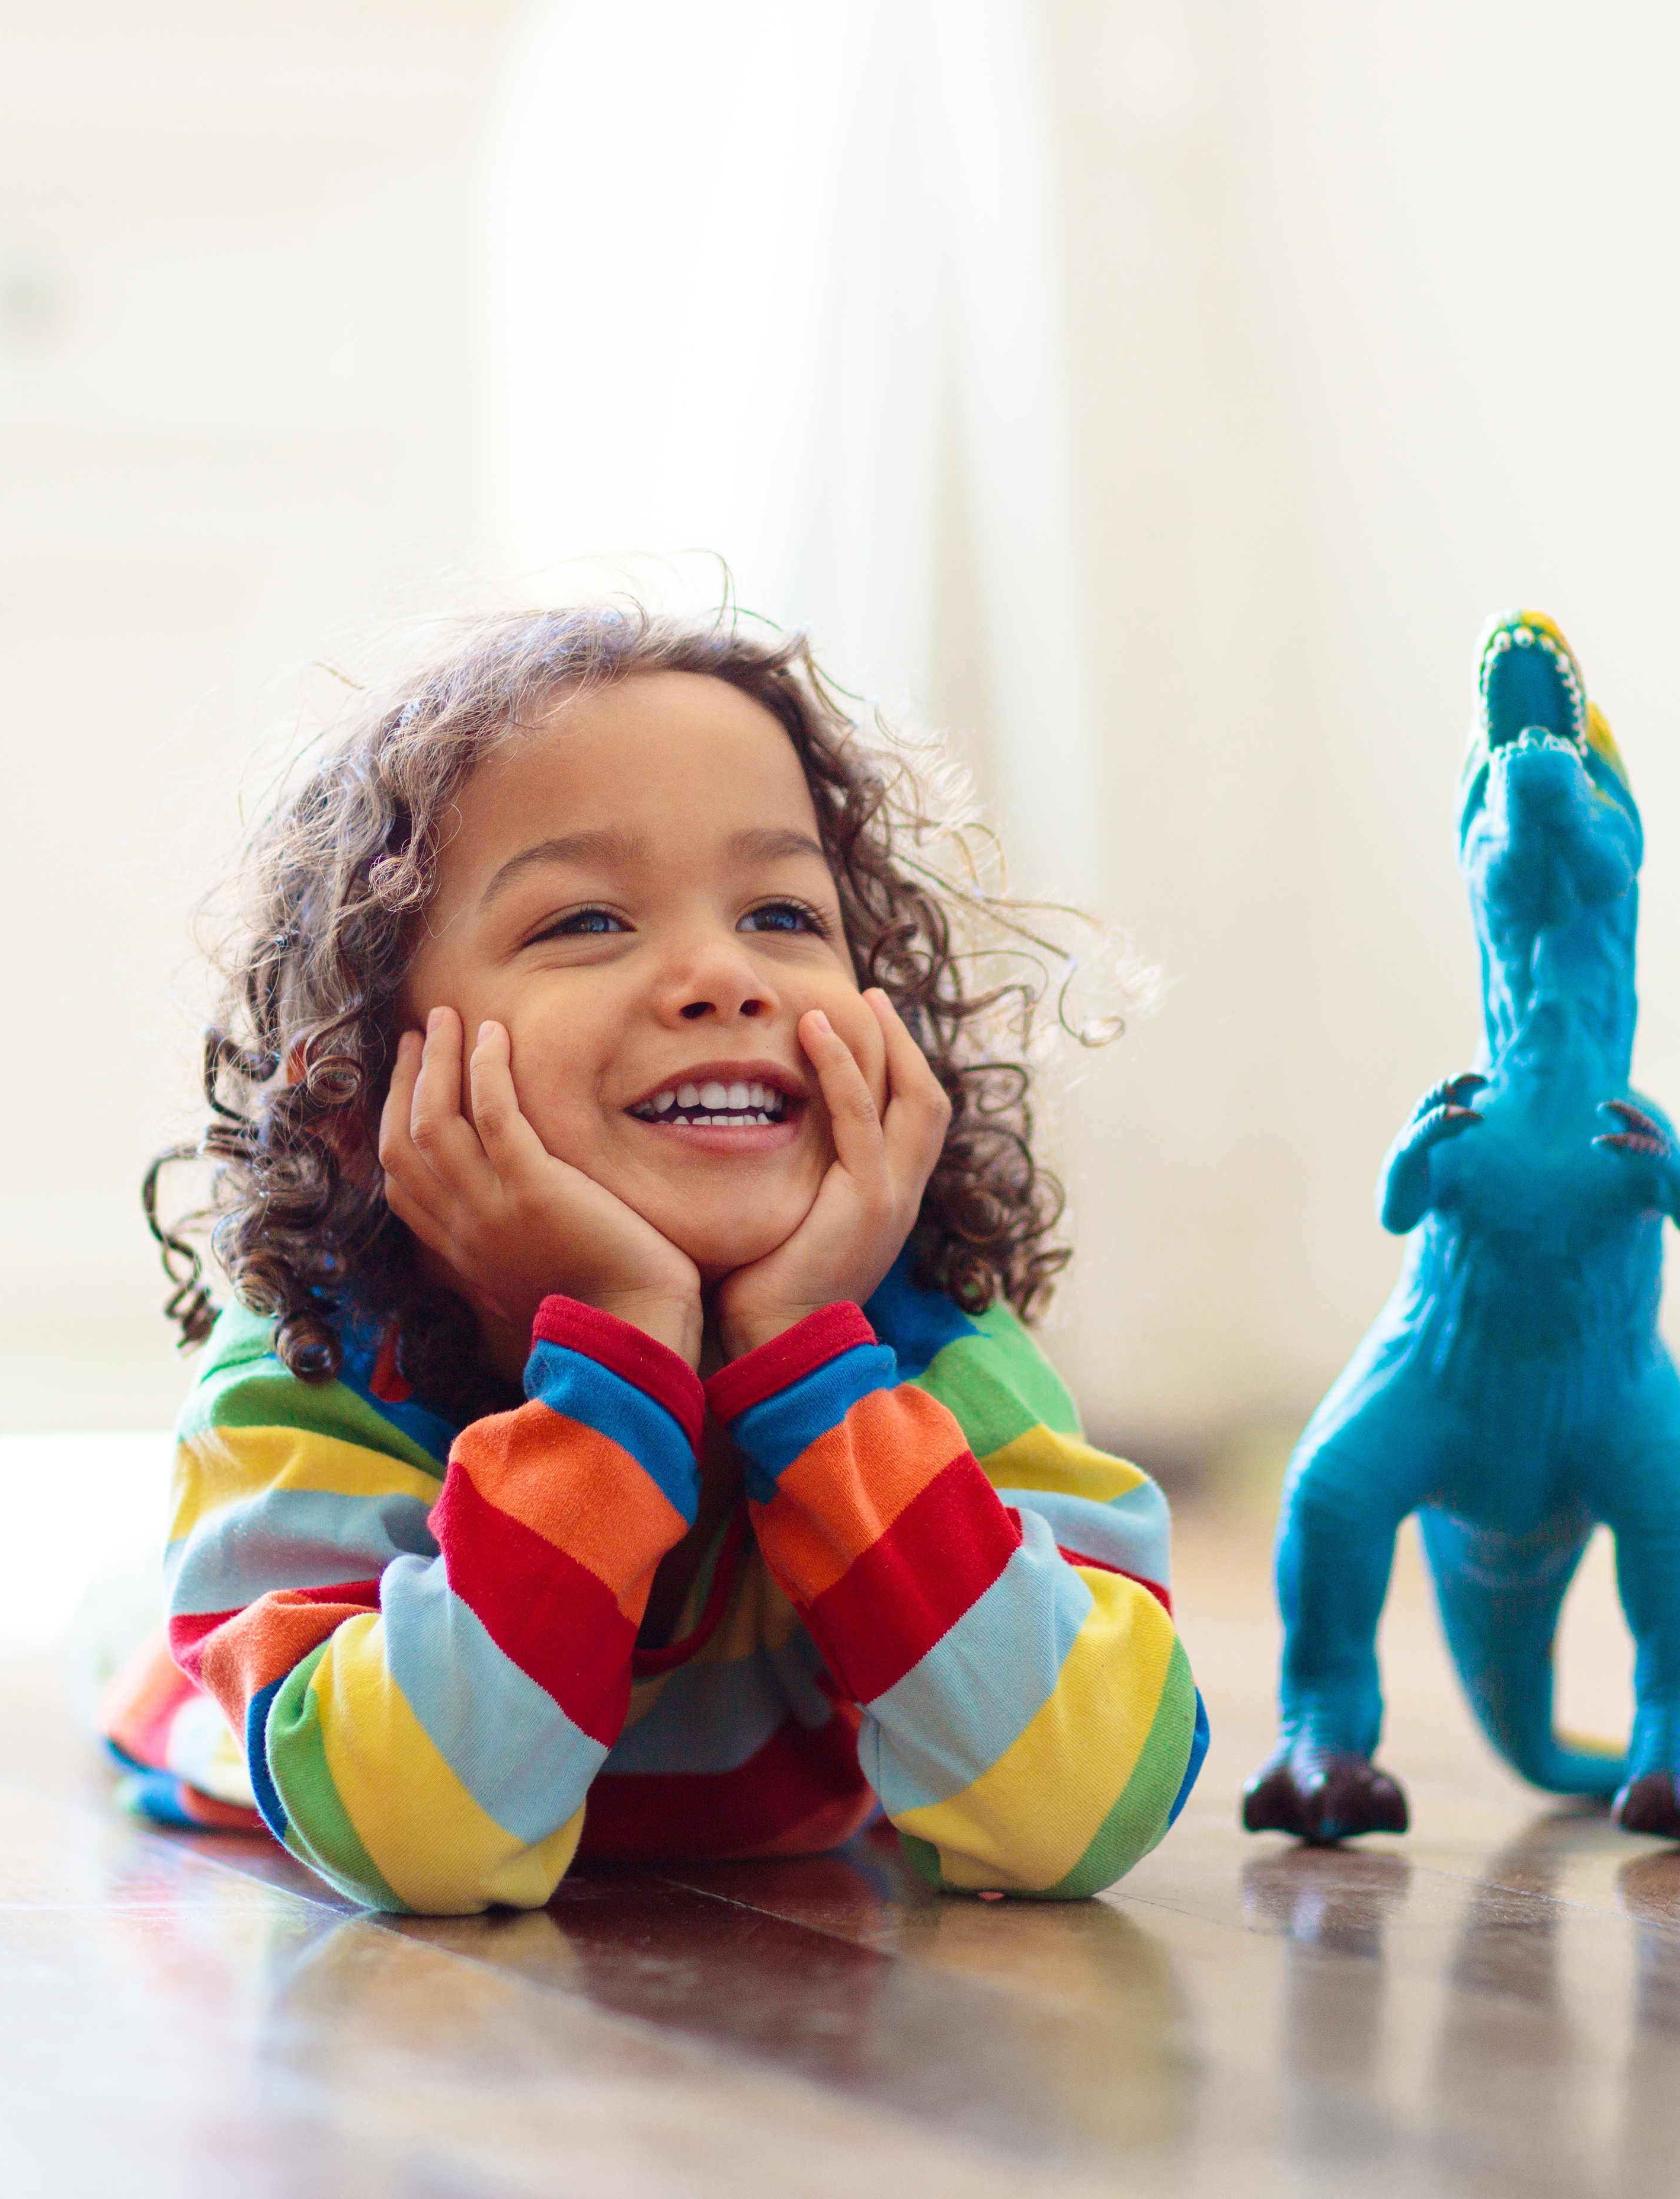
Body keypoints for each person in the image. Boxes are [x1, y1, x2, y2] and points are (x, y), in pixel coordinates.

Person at [116, 603, 1203, 1914]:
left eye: (782, 912)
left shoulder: (927, 1342)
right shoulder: (319, 1369)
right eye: (583, 921)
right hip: (222, 1721)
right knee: (139, 1639)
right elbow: (423, 1836)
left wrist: (808, 1355)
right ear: (362, 1084)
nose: (719, 975)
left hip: (775, 1808)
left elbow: (1075, 1810)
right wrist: (622, 1349)